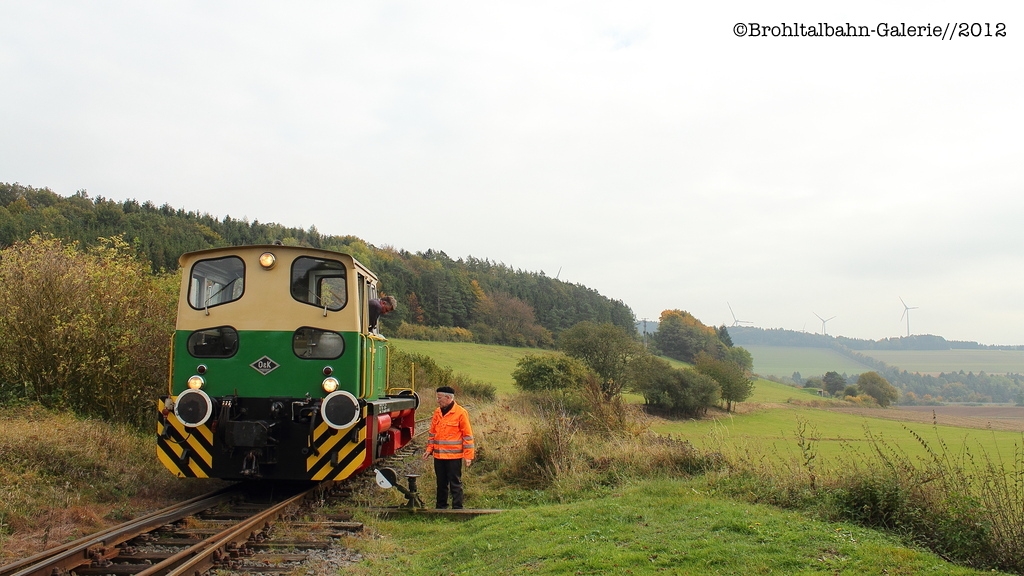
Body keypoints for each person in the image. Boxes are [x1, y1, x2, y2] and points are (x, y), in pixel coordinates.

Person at [422, 386, 474, 509]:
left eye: (439, 398)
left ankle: (457, 508)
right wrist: (429, 449)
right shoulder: (437, 412)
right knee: (441, 483)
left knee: (455, 483)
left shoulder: (461, 413)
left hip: (453, 457)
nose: (437, 400)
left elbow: (467, 436)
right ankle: (441, 507)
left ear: (448, 397)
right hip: (439, 456)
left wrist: (468, 456)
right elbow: (432, 433)